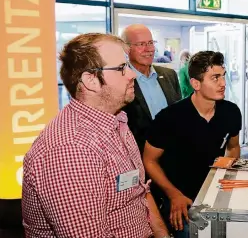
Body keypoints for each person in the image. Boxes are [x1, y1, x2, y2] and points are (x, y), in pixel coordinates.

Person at [22, 33, 170, 238]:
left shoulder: (118, 121)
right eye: (122, 68)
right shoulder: (71, 150)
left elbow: (140, 191)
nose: (133, 74)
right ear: (91, 80)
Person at [143, 51, 242, 238]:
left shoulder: (231, 111)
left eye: (223, 76)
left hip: (214, 193)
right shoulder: (169, 118)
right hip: (180, 197)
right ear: (196, 84)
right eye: (215, 78)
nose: (223, 83)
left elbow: (233, 147)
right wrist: (173, 195)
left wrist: (225, 175)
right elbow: (149, 160)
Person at [122, 24, 181, 156]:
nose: (148, 49)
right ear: (127, 49)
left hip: (174, 154)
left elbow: (179, 115)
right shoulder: (121, 79)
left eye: (150, 43)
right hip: (139, 158)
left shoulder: (169, 75)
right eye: (141, 44)